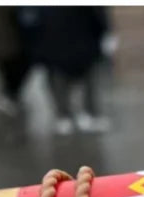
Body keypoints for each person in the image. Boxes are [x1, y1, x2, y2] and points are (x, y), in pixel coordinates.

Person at [19, 7, 114, 135]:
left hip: (63, 37)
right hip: (70, 36)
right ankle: (79, 113)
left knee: (64, 77)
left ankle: (68, 114)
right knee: (77, 76)